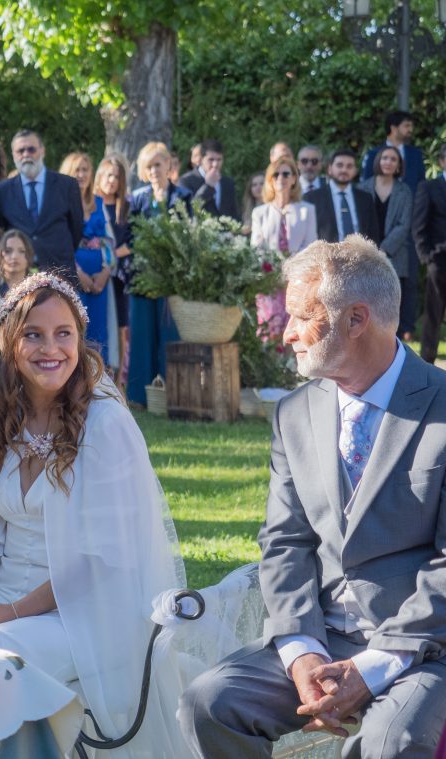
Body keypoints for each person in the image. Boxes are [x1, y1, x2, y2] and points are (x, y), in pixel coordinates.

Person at [0, 273, 187, 757]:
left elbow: (101, 560)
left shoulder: (105, 423)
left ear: (80, 340)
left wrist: (14, 613)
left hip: (85, 612)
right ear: (9, 342)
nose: (51, 348)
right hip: (4, 602)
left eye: (64, 333)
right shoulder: (0, 417)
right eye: (33, 335)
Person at [180, 236, 446, 759]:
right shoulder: (294, 413)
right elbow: (285, 542)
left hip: (421, 646)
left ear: (356, 319)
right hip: (322, 637)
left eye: (301, 316)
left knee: (390, 744)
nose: (287, 333)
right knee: (209, 703)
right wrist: (301, 650)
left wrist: (374, 667)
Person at [126, 142, 192, 407]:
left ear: (168, 165)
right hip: (142, 278)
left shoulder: (183, 196)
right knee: (142, 336)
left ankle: (170, 394)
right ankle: (139, 397)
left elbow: (188, 235)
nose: (154, 170)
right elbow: (129, 237)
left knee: (169, 336)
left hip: (170, 278)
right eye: (149, 166)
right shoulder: (137, 198)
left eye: (158, 164)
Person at [0, 130, 83, 279]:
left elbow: (76, 229)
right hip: (20, 274)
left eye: (31, 149)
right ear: (13, 155)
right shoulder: (3, 190)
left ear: (42, 151)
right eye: (20, 151)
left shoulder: (67, 185)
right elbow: (2, 229)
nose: (26, 154)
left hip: (60, 270)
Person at [251, 158, 318, 339]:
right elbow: (257, 248)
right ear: (270, 180)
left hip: (297, 281)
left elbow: (310, 246)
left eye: (286, 173)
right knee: (269, 334)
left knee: (297, 333)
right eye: (276, 174)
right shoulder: (260, 212)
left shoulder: (307, 210)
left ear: (294, 178)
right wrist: (273, 271)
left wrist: (290, 271)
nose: (281, 178)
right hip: (269, 281)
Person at [61, 152, 117, 365]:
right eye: (77, 170)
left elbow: (108, 241)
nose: (81, 174)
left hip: (99, 279)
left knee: (98, 329)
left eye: (85, 170)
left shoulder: (98, 203)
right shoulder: (61, 205)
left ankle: (100, 376)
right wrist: (76, 272)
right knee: (76, 326)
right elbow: (61, 242)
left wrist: (105, 272)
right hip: (73, 274)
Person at [359, 145, 413, 339]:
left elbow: (404, 224)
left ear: (398, 165)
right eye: (385, 158)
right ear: (378, 161)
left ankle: (390, 344)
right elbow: (359, 221)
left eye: (393, 159)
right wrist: (370, 249)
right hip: (365, 254)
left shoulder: (404, 191)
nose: (388, 162)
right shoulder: (363, 188)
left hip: (394, 254)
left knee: (390, 306)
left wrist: (383, 249)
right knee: (366, 302)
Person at [96, 155, 133, 382]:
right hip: (96, 273)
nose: (112, 181)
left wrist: (111, 255)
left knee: (122, 325)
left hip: (119, 275)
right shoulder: (91, 204)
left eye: (117, 177)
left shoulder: (126, 207)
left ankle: (120, 379)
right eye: (109, 175)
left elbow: (133, 240)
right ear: (100, 175)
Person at [303, 148, 378, 244]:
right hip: (325, 253)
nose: (344, 170)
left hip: (360, 252)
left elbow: (373, 235)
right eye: (339, 165)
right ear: (330, 169)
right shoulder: (312, 198)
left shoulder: (366, 199)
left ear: (355, 171)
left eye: (349, 166)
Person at [415, 144, 446, 363]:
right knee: (434, 312)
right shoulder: (429, 187)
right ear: (442, 161)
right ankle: (427, 361)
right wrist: (426, 256)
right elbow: (419, 224)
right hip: (439, 259)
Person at [178, 139, 240, 220]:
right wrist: (208, 187)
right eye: (211, 159)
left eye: (219, 159)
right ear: (201, 159)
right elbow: (187, 211)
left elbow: (234, 214)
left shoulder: (228, 183)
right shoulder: (186, 181)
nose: (215, 164)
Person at [0, 228, 32, 297]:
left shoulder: (38, 287)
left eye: (21, 251)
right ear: (0, 255)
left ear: (29, 254)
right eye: (8, 251)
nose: (14, 256)